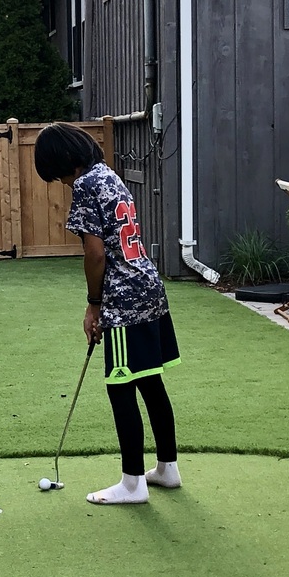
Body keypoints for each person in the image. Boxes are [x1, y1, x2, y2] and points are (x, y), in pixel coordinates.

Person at [33, 123, 180, 505]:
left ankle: (132, 484)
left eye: (58, 175)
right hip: (149, 287)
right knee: (151, 382)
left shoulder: (84, 185)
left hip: (124, 298)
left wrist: (94, 304)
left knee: (120, 388)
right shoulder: (109, 176)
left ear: (66, 162)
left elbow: (96, 254)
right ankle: (167, 469)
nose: (62, 184)